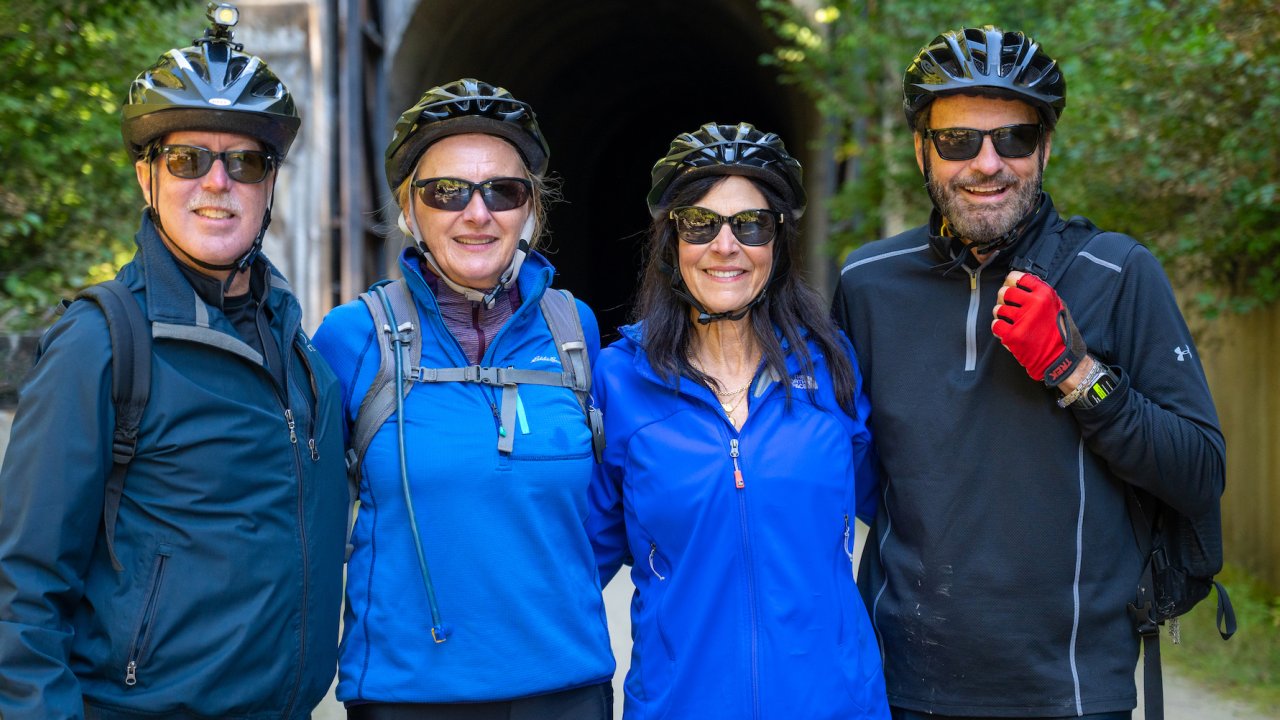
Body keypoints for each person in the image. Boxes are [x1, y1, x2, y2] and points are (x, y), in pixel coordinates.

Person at [832, 26, 1226, 719]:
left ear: (1043, 147)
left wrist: (1080, 374)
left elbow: (1199, 471)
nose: (988, 163)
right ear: (923, 149)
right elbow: (854, 473)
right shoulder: (867, 284)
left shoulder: (1117, 272)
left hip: (1072, 691)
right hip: (902, 686)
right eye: (958, 140)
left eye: (1013, 137)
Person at [0, 4, 348, 719]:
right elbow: (21, 589)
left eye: (245, 162)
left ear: (269, 183)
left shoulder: (299, 348)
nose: (217, 183)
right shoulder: (99, 343)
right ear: (146, 176)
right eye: (188, 160)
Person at [311, 78, 614, 719]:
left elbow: (605, 507)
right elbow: (299, 521)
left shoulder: (572, 329)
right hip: (407, 693)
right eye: (446, 191)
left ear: (530, 207)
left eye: (503, 190)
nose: (477, 214)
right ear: (409, 209)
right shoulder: (351, 338)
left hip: (565, 690)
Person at [586, 121, 891, 719]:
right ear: (671, 240)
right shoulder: (620, 379)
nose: (725, 246)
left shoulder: (832, 367)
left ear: (777, 242)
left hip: (835, 705)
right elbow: (578, 563)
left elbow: (903, 513)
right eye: (700, 223)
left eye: (749, 224)